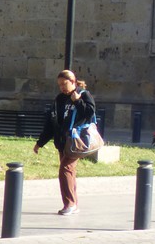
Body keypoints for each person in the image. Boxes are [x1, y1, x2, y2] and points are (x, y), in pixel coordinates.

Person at [33, 69, 96, 216]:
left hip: (77, 141)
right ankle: (73, 203)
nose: (62, 87)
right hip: (62, 141)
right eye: (59, 84)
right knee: (69, 172)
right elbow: (51, 122)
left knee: (65, 170)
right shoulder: (59, 99)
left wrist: (77, 101)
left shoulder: (83, 95)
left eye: (64, 83)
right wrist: (40, 143)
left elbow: (90, 113)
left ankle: (69, 204)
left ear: (73, 81)